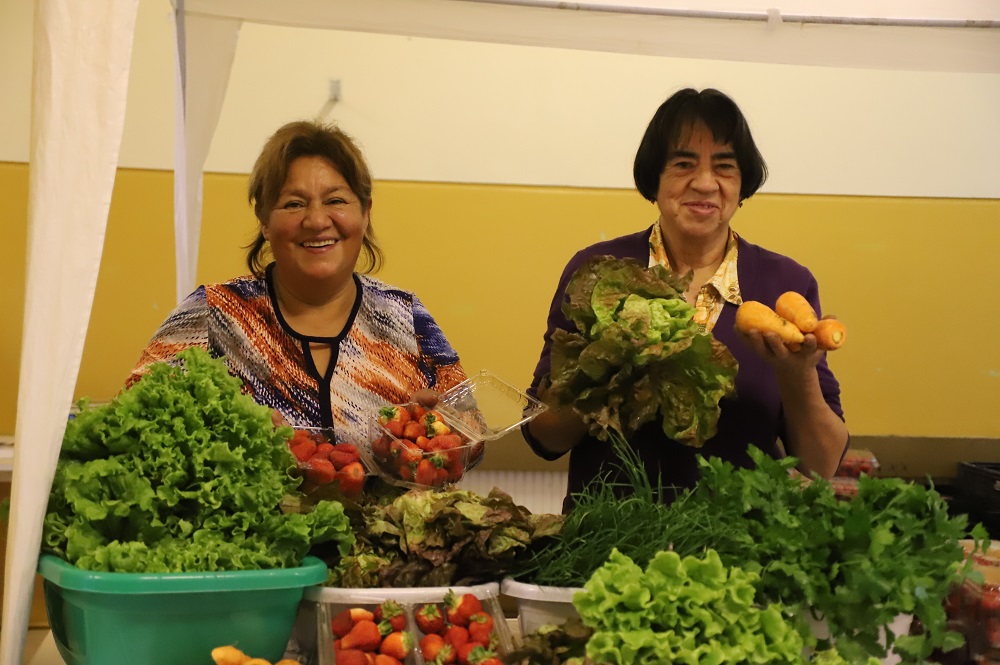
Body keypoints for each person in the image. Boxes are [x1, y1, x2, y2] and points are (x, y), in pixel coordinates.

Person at [523, 87, 849, 512]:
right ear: (653, 180)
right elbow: (542, 436)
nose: (705, 183)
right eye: (683, 164)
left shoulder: (783, 283)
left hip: (741, 547)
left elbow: (821, 464)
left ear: (742, 182)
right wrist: (605, 365)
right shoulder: (599, 273)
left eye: (725, 166)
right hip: (607, 543)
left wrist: (798, 375)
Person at [128, 120, 467, 446]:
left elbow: (470, 432)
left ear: (365, 213)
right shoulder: (212, 313)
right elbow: (132, 418)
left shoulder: (406, 316)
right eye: (294, 204)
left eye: (335, 201)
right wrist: (226, 430)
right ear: (264, 221)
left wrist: (445, 432)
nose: (317, 220)